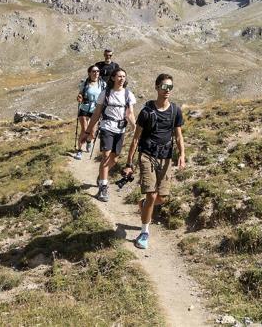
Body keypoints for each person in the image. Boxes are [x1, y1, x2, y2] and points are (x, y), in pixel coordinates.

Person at [124, 73, 186, 250]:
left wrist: (182, 155)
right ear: (157, 87)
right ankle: (144, 232)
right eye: (164, 87)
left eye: (170, 87)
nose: (167, 91)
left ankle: (144, 205)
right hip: (147, 155)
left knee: (162, 198)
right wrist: (129, 163)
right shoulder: (146, 112)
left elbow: (179, 136)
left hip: (165, 157)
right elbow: (136, 139)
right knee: (151, 194)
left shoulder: (175, 111)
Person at [79, 68, 137, 202]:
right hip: (107, 127)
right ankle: (103, 187)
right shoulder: (105, 94)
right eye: (119, 76)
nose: (121, 79)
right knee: (106, 155)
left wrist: (134, 126)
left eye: (123, 76)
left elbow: (130, 113)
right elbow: (97, 113)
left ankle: (101, 176)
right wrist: (87, 131)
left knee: (114, 158)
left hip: (120, 129)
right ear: (112, 78)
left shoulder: (128, 94)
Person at [73, 65, 104, 159]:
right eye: (94, 71)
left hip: (96, 109)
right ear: (89, 73)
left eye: (97, 71)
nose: (96, 73)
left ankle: (89, 141)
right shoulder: (85, 84)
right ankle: (79, 150)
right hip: (84, 108)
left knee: (92, 132)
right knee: (84, 129)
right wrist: (79, 97)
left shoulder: (103, 84)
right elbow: (80, 94)